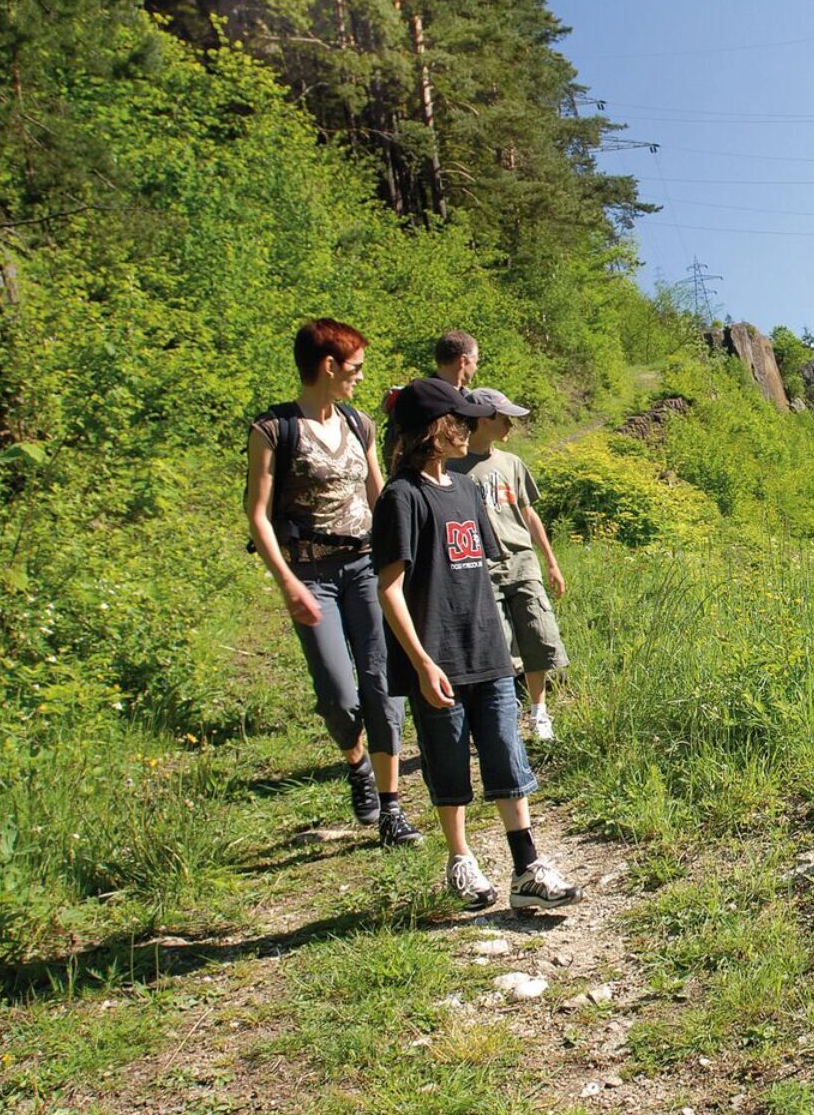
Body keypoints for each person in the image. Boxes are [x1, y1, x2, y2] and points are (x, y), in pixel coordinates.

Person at [372, 379, 579, 912]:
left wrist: (503, 646)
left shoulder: (464, 490)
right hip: (437, 659)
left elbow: (482, 572)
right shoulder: (401, 497)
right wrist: (420, 663)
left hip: (487, 650)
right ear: (432, 429)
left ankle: (527, 866)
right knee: (447, 761)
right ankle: (461, 861)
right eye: (458, 420)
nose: (467, 429)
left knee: (507, 754)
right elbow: (389, 588)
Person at [245, 320, 420, 844]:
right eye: (356, 368)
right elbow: (256, 514)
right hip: (310, 574)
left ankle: (390, 809)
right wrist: (287, 584)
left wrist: (405, 561)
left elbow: (379, 496)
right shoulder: (273, 430)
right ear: (329, 366)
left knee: (382, 683)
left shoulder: (359, 424)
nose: (360, 378)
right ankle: (357, 760)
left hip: (365, 568)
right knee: (339, 695)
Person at [448, 388, 569, 741]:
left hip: (522, 560)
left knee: (538, 634)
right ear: (483, 419)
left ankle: (539, 712)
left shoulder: (512, 463)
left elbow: (529, 514)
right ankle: (499, 717)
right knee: (497, 644)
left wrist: (551, 562)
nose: (511, 427)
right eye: (504, 419)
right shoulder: (452, 467)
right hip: (479, 567)